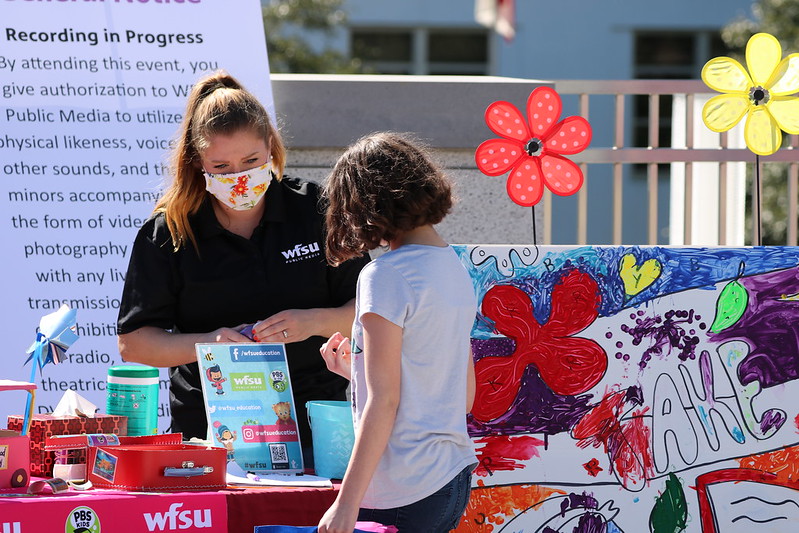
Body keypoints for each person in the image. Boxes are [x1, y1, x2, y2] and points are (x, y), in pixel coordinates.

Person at [116, 71, 369, 458]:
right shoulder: (169, 231)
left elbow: (370, 310)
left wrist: (312, 323)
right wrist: (210, 343)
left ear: (271, 146)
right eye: (221, 168)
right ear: (197, 163)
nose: (238, 178)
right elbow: (134, 344)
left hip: (316, 426)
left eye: (251, 161)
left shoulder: (318, 210)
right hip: (208, 432)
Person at [317, 132, 477, 532]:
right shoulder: (453, 267)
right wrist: (358, 377)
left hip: (401, 488)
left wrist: (345, 504)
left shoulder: (385, 275)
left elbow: (385, 400)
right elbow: (463, 395)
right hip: (450, 478)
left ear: (364, 206)